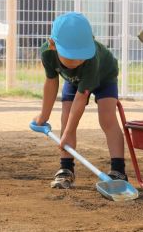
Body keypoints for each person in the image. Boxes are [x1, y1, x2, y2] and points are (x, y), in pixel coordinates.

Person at [33, 12, 127, 189]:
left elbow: (81, 98)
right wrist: (43, 117)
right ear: (53, 45)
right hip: (74, 80)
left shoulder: (91, 59)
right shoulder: (47, 53)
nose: (77, 61)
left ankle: (118, 171)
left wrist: (68, 132)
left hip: (104, 76)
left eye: (80, 55)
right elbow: (51, 83)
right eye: (70, 56)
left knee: (107, 118)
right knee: (66, 117)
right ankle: (66, 169)